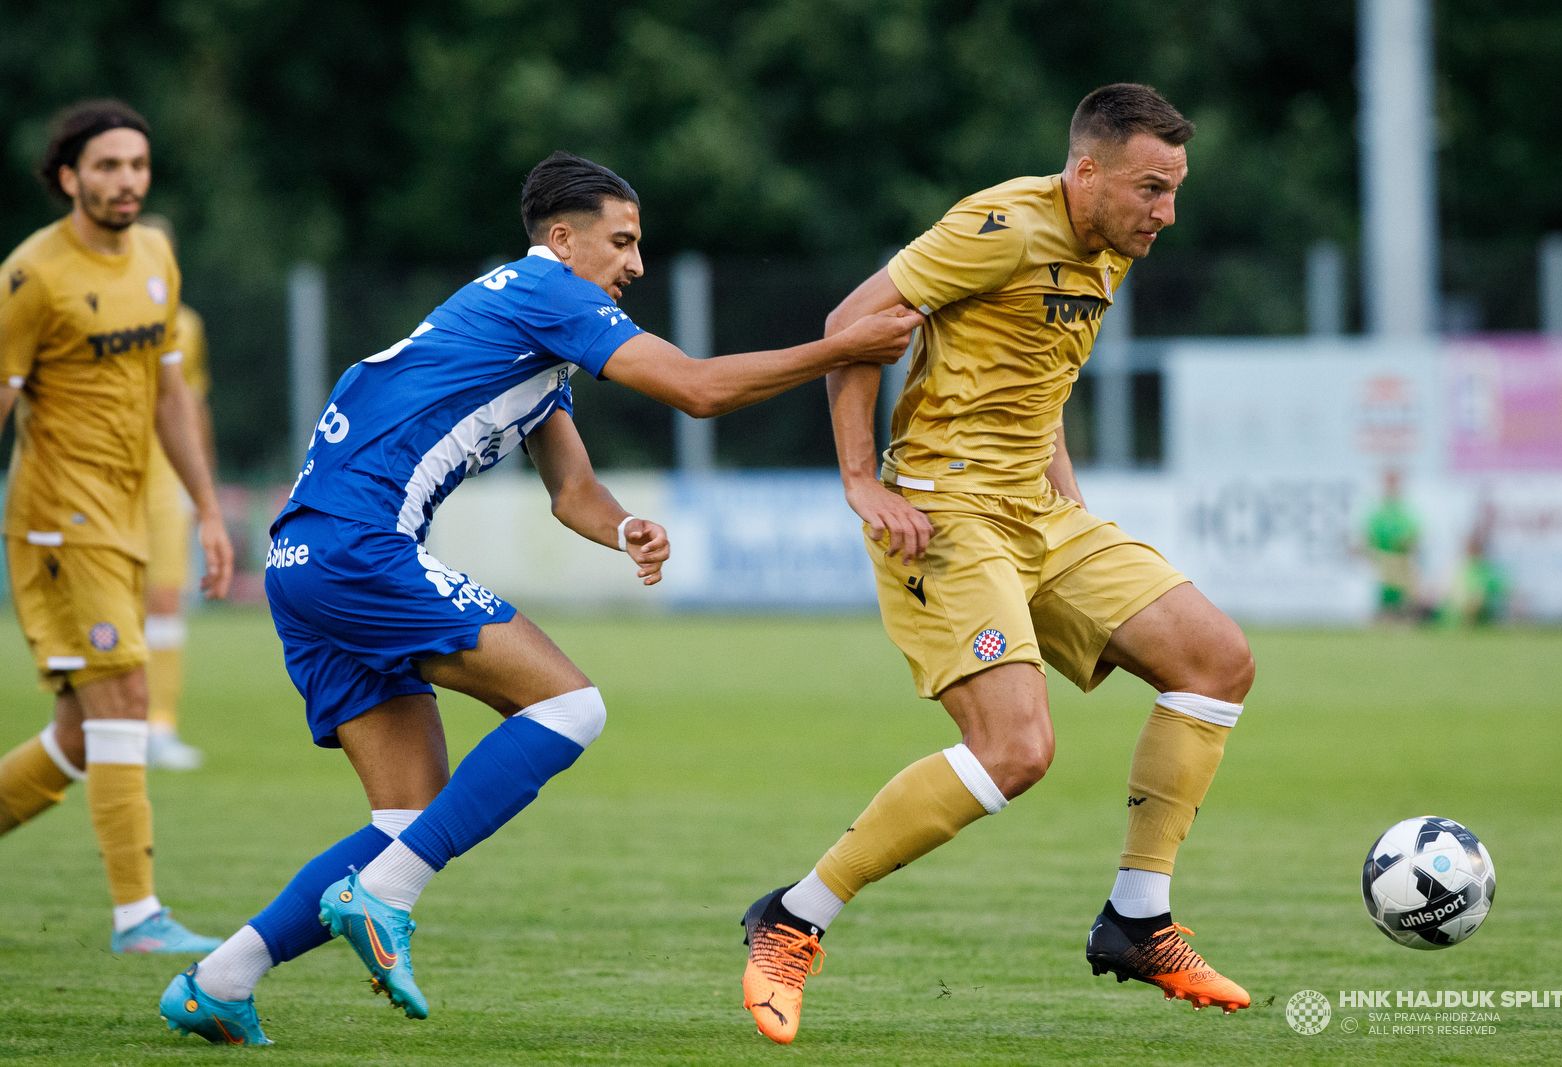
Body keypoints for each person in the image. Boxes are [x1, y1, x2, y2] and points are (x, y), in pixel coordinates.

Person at [158, 150, 923, 1046]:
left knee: (407, 815)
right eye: (622, 242)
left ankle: (221, 977)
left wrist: (624, 526)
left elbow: (573, 494)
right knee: (572, 705)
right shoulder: (548, 293)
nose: (635, 264)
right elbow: (697, 389)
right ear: (562, 240)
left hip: (306, 559)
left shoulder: (524, 329)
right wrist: (844, 348)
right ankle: (383, 897)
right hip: (358, 548)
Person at [738, 84, 1257, 1045]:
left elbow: (1036, 379)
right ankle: (794, 916)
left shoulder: (1110, 244)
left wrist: (1074, 508)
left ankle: (1138, 919)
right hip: (944, 511)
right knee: (1017, 751)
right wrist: (862, 480)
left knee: (1216, 659)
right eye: (1152, 189)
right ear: (1087, 171)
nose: (1167, 214)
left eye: (1175, 190)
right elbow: (853, 324)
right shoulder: (999, 225)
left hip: (1038, 513)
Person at [0, 100, 234, 952]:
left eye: (136, 165)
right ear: (69, 178)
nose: (126, 180)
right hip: (60, 521)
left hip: (130, 512)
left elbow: (172, 392)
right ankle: (139, 916)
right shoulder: (31, 276)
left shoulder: (157, 256)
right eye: (106, 166)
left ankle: (139, 914)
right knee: (126, 696)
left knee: (78, 732)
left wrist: (207, 509)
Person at [139, 214, 217, 771]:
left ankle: (159, 726)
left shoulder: (184, 325)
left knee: (165, 601)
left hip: (166, 481)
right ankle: (110, 722)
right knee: (112, 607)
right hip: (106, 476)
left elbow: (191, 407)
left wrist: (203, 489)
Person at [1365, 468, 1421, 621]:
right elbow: (1368, 537)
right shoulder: (1377, 512)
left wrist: (1406, 543)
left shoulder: (1406, 512)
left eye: (1394, 482)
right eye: (1389, 482)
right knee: (1385, 601)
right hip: (1384, 561)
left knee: (1403, 602)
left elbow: (1414, 536)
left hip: (1401, 562)